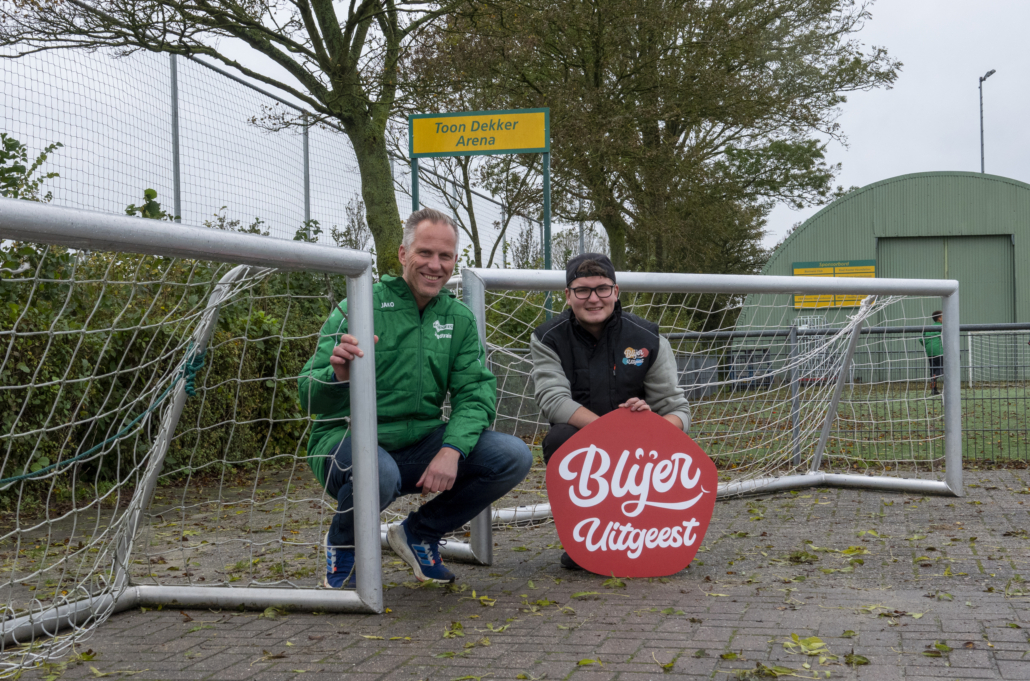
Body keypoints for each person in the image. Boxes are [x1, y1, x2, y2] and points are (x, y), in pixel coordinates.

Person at [299, 208, 532, 587]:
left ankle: (419, 533)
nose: (435, 265)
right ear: (403, 254)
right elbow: (309, 398)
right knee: (378, 472)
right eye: (425, 252)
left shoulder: (458, 318)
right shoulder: (359, 305)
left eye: (445, 256)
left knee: (512, 456)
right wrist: (338, 377)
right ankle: (344, 547)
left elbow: (475, 393)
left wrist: (451, 449)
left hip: (418, 443)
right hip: (344, 442)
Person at [530, 253, 691, 569]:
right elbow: (553, 400)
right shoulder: (548, 338)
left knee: (674, 446)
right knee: (560, 438)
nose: (593, 299)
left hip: (640, 451)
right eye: (582, 290)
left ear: (616, 292)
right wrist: (613, 432)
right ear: (568, 295)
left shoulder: (648, 338)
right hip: (588, 449)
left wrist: (650, 424)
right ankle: (586, 537)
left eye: (602, 288)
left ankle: (651, 532)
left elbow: (678, 411)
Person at [919, 310, 943, 395]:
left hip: (930, 352)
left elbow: (921, 339)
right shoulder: (942, 327)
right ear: (939, 318)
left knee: (933, 369)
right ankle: (935, 377)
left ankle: (934, 390)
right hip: (939, 350)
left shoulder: (929, 328)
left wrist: (928, 345)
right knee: (944, 368)